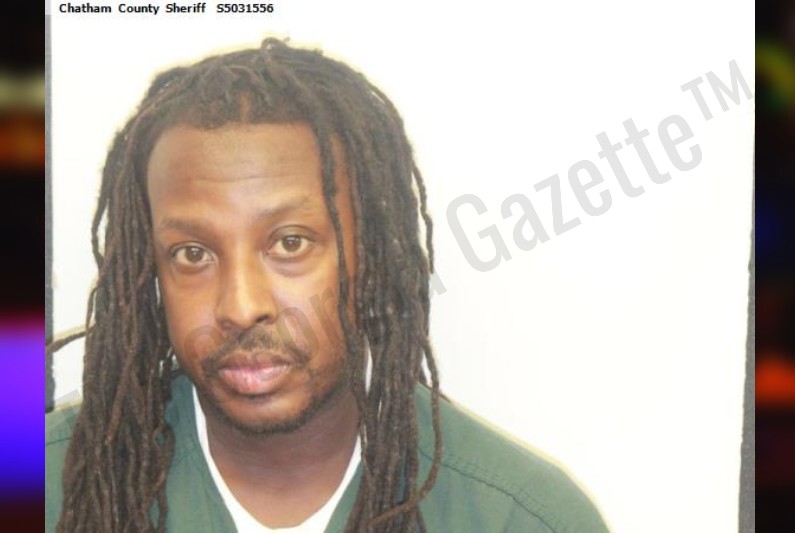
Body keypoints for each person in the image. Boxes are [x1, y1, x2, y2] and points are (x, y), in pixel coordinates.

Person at [46, 38, 609, 533]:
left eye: (290, 243)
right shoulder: (40, 488)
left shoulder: (519, 518)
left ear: (376, 256)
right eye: (193, 254)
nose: (241, 307)